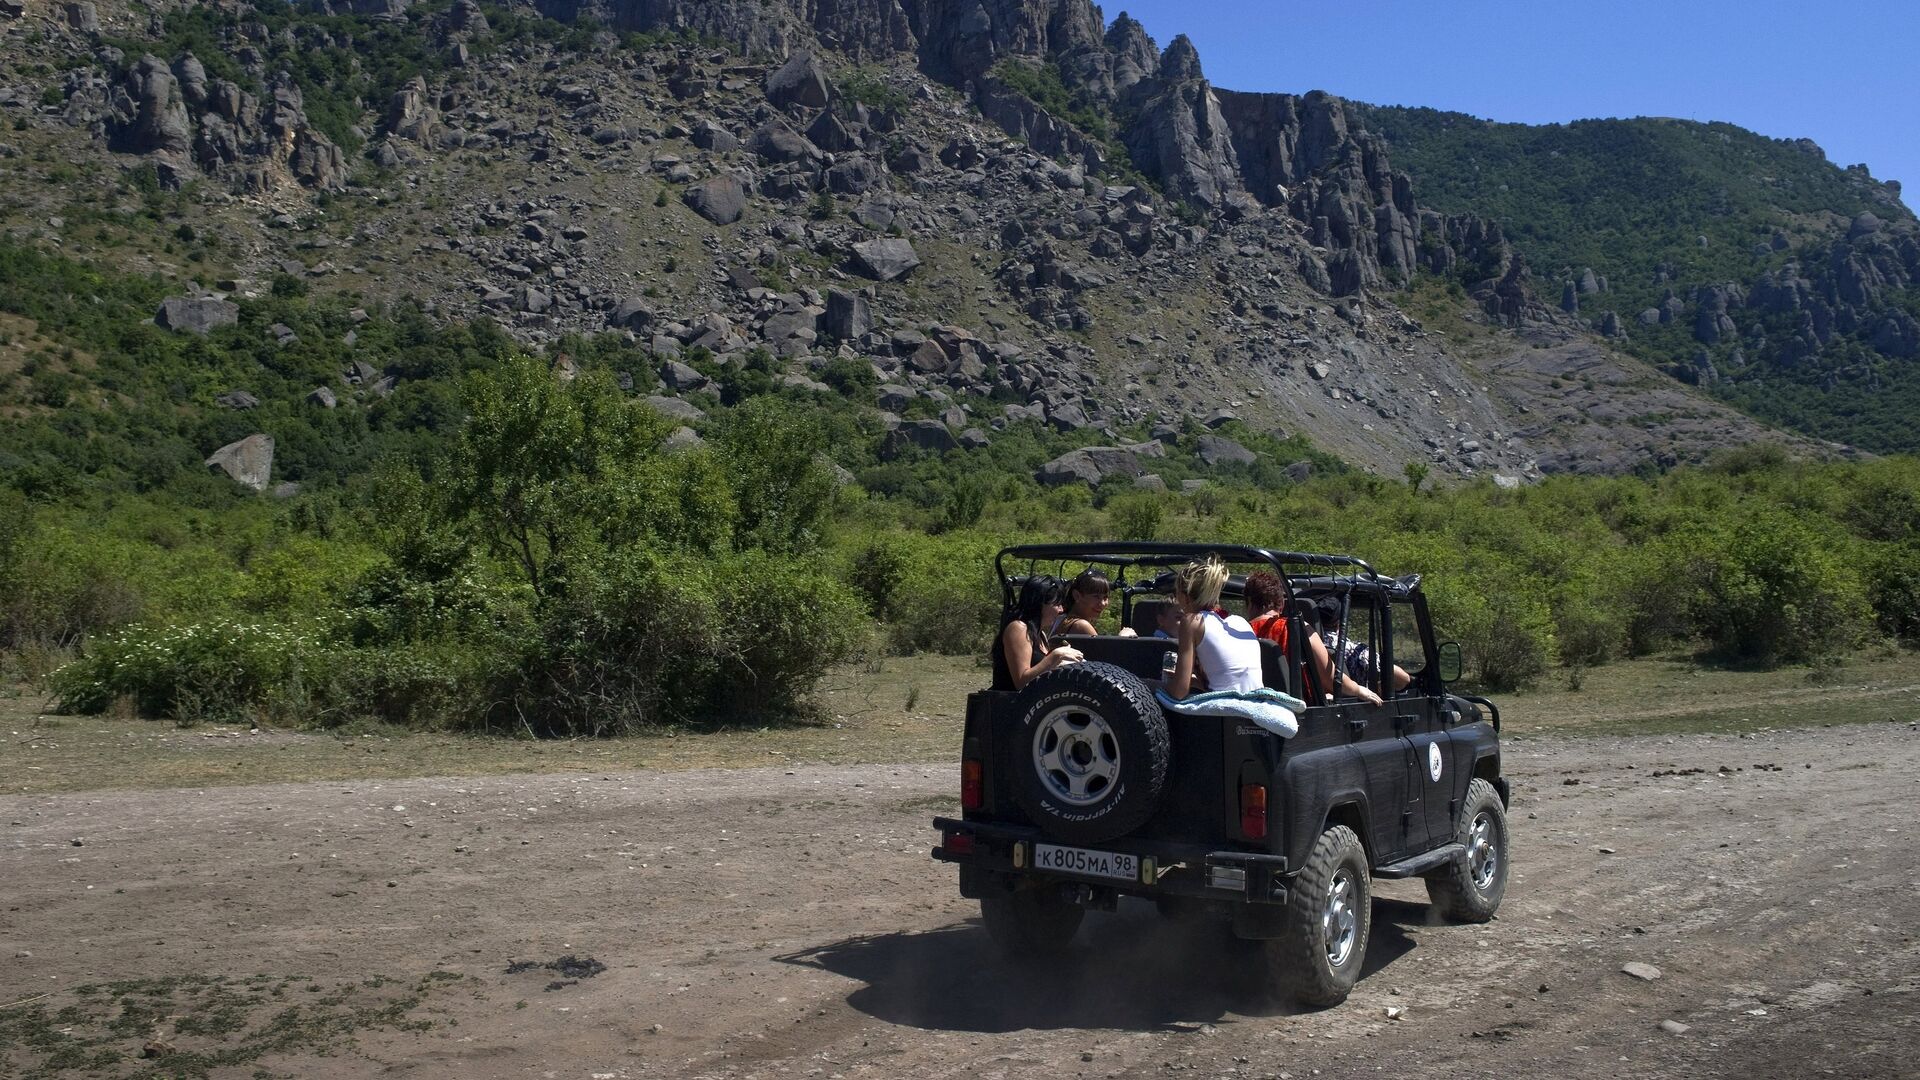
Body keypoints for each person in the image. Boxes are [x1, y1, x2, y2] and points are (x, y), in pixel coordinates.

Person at [1247, 572, 1380, 704]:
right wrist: (1358, 690)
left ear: (1249, 603)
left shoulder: (1240, 632)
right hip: (1298, 710)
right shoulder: (1297, 629)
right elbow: (1329, 679)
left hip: (1252, 707)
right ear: (1281, 603)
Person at [1164, 555, 1262, 698]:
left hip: (1227, 709)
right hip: (1255, 701)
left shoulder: (1192, 621)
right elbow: (1231, 677)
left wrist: (1151, 685)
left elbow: (1179, 691)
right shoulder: (1240, 622)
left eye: (1177, 594)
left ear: (1185, 597)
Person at [992, 575, 1083, 690]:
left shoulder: (1040, 634)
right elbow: (1021, 682)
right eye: (1057, 604)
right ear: (1039, 604)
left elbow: (1041, 672)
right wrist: (1056, 656)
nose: (1061, 610)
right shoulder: (1018, 628)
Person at [1311, 596, 1402, 700]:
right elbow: (1400, 677)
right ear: (1339, 622)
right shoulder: (1352, 650)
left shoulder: (1303, 641)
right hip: (1352, 707)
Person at [1052, 568, 1138, 638]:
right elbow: (1105, 656)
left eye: (1105, 597)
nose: (1103, 603)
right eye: (1096, 596)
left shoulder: (1061, 618)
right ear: (1077, 596)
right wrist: (1123, 639)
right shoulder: (1081, 625)